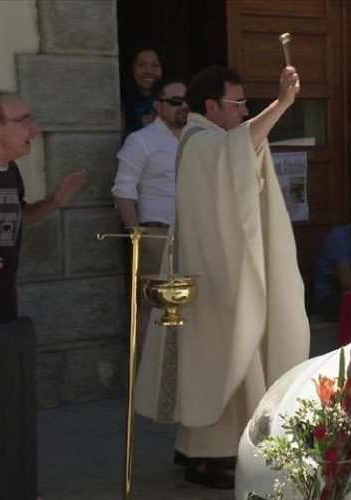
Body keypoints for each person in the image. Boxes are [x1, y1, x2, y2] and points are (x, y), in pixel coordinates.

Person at [134, 65, 309, 490]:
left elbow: (242, 147)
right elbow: (239, 146)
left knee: (221, 358)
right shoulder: (199, 142)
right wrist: (282, 103)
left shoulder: (208, 139)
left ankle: (198, 448)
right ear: (210, 106)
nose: (244, 111)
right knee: (218, 360)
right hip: (210, 276)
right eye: (237, 104)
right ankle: (204, 457)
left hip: (218, 268)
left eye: (246, 104)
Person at [0, 90, 86, 500]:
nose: (36, 127)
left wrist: (52, 203)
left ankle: (8, 483)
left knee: (2, 401)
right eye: (25, 119)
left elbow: (18, 215)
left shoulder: (9, 171)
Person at [111, 77, 188, 364]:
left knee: (191, 307)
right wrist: (137, 236)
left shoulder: (198, 137)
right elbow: (123, 189)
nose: (183, 107)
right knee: (150, 307)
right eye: (175, 102)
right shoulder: (141, 140)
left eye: (186, 101)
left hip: (193, 233)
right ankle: (143, 381)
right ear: (157, 105)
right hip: (156, 233)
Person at [120, 44, 163, 137]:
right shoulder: (121, 102)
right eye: (141, 65)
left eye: (155, 65)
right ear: (131, 69)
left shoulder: (170, 99)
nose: (149, 71)